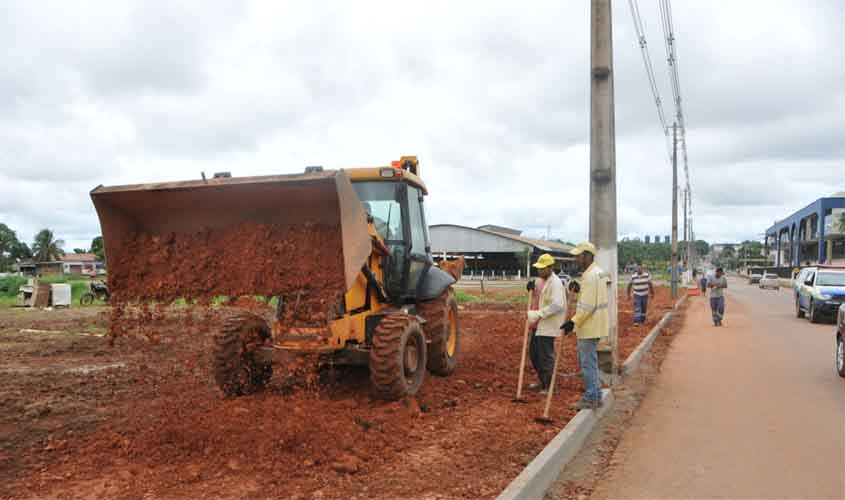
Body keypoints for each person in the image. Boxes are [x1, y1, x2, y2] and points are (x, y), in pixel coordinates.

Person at [561, 242, 608, 410]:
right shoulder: (598, 272)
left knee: (587, 363)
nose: (576, 258)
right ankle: (596, 394)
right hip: (596, 324)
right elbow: (593, 296)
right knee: (590, 362)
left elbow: (588, 306)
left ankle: (591, 397)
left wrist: (573, 322)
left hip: (589, 325)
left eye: (578, 255)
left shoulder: (590, 275)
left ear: (587, 255)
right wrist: (579, 288)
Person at [525, 254, 566, 394]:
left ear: (550, 268)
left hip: (547, 325)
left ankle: (550, 386)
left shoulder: (555, 283)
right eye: (539, 268)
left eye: (543, 268)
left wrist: (539, 313)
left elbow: (557, 305)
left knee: (545, 356)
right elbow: (537, 297)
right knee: (534, 354)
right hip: (537, 325)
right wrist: (530, 288)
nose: (540, 271)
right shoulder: (539, 280)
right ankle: (542, 381)